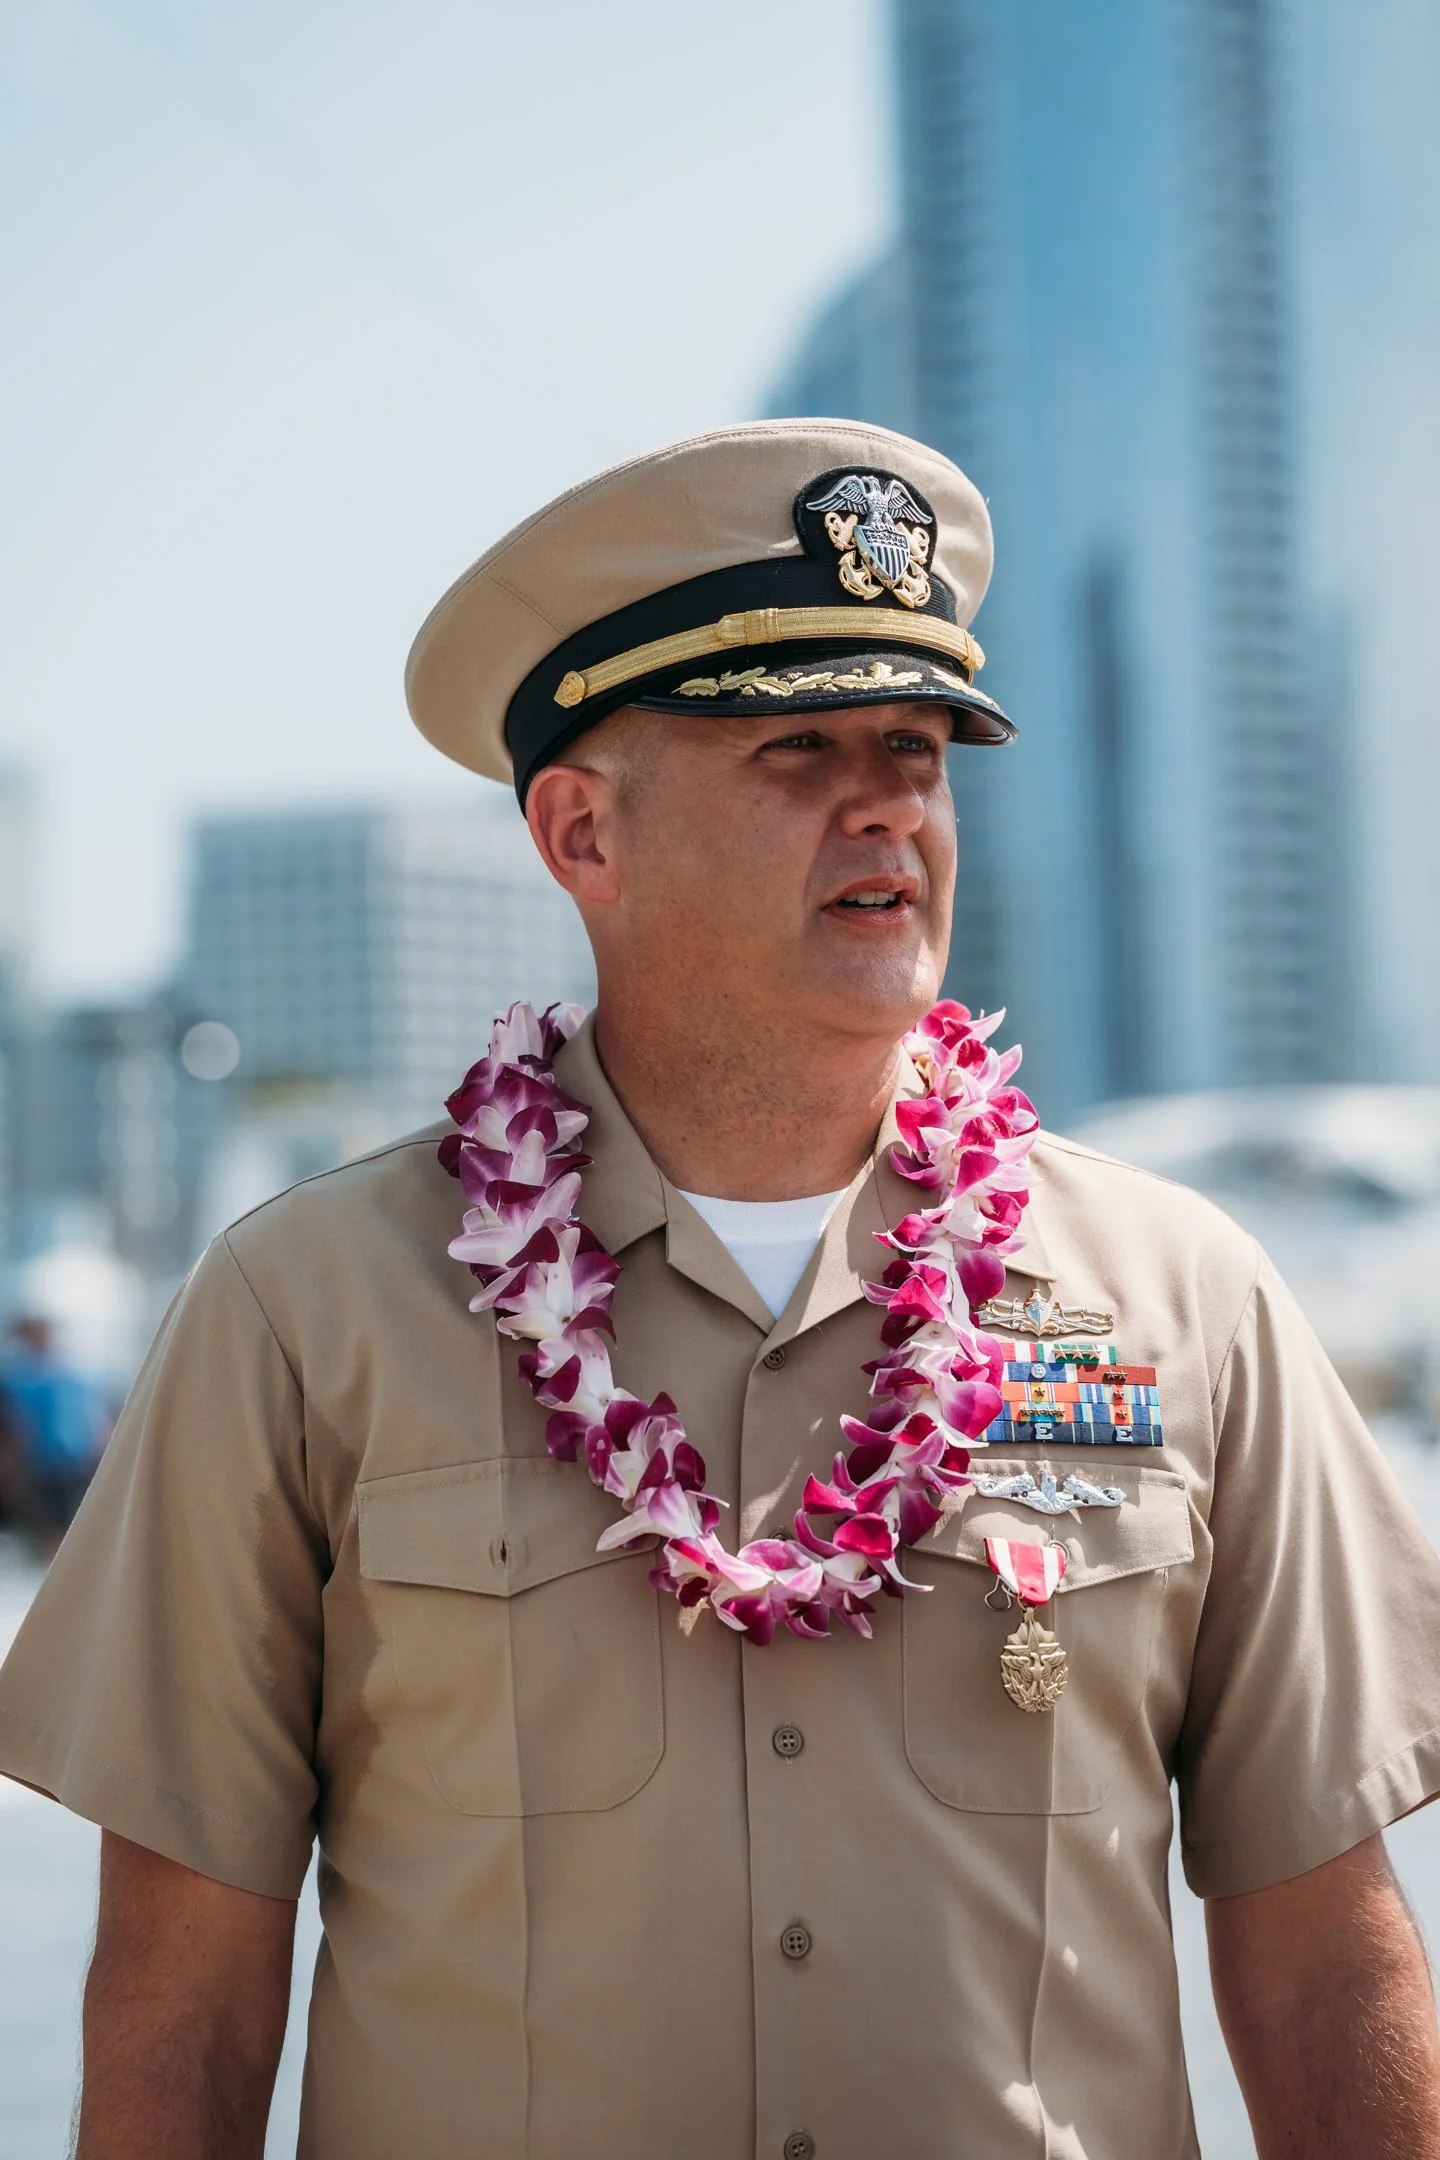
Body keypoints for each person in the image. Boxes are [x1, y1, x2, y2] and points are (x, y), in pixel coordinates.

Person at [1, 419, 1439, 2160]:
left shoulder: (1186, 1299)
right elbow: (183, 1993)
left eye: (918, 747)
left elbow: (1320, 1956)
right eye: (801, 745)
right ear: (582, 832)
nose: (891, 801)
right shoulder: (306, 1316)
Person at [0, 1314, 109, 1556]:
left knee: (65, 1518)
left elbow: (91, 1416)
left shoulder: (66, 1374)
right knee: (50, 1520)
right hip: (43, 1458)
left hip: (68, 1456)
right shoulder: (24, 1377)